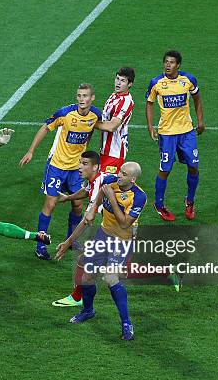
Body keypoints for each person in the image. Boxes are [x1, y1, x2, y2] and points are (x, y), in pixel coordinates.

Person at [20, 83, 115, 260]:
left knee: (78, 205)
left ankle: (71, 240)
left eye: (85, 96)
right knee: (50, 204)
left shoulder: (95, 115)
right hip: (56, 165)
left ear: (92, 98)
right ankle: (40, 245)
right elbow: (45, 127)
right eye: (79, 96)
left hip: (77, 169)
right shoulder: (65, 113)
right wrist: (31, 151)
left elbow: (104, 127)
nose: (81, 99)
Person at [56, 162, 146, 340]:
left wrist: (111, 198)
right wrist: (93, 208)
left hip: (122, 241)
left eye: (124, 174)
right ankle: (88, 310)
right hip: (103, 236)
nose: (119, 175)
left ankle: (127, 323)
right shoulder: (110, 181)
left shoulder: (139, 196)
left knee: (111, 278)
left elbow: (125, 223)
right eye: (120, 172)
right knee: (87, 276)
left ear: (133, 179)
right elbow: (99, 192)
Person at [146, 50, 205, 221]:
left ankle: (190, 202)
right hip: (167, 134)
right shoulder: (156, 82)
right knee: (165, 169)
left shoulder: (188, 80)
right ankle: (159, 204)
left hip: (186, 132)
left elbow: (197, 99)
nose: (167, 65)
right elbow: (149, 103)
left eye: (171, 62)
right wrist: (150, 126)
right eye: (165, 62)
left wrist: (200, 121)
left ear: (178, 65)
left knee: (193, 166)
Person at [52, 151, 108, 307]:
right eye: (80, 163)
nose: (79, 167)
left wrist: (67, 243)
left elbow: (87, 220)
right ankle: (77, 297)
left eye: (84, 164)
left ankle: (78, 299)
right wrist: (68, 197)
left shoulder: (98, 184)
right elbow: (86, 191)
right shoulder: (96, 180)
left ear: (95, 167)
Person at [99, 67, 136, 174]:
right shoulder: (114, 96)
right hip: (105, 150)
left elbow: (112, 126)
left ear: (130, 84)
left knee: (107, 187)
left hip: (115, 152)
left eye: (123, 81)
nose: (118, 83)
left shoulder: (126, 102)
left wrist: (89, 123)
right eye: (117, 79)